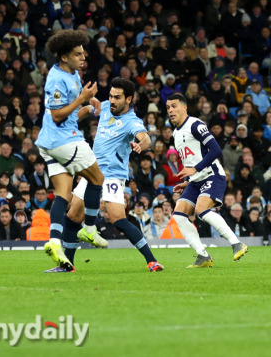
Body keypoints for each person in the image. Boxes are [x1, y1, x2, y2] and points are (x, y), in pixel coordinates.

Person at [62, 78, 164, 272]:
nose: (112, 100)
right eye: (110, 95)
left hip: (113, 175)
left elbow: (146, 139)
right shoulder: (106, 106)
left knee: (118, 218)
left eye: (117, 97)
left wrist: (139, 145)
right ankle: (67, 265)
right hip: (91, 170)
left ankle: (152, 261)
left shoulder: (132, 122)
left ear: (129, 99)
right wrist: (76, 117)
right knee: (73, 214)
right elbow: (87, 110)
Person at [35, 30, 104, 271]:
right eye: (77, 54)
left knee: (63, 194)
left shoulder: (73, 73)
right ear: (64, 56)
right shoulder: (56, 79)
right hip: (63, 141)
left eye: (83, 53)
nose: (82, 57)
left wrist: (88, 106)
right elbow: (56, 115)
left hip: (51, 143)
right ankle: (90, 229)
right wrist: (82, 98)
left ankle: (54, 243)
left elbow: (72, 114)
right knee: (97, 179)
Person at [166, 93, 249, 267]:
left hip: (212, 174)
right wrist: (188, 180)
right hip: (195, 180)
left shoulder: (195, 125)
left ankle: (236, 243)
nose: (170, 110)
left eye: (174, 106)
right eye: (168, 107)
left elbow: (215, 150)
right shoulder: (175, 133)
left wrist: (195, 170)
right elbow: (192, 160)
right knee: (179, 214)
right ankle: (203, 256)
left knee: (201, 210)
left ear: (184, 107)